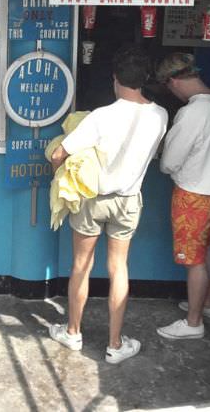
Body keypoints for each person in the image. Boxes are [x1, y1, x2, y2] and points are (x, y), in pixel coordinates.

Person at [48, 45, 167, 364]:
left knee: (81, 266)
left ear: (115, 79)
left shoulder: (101, 116)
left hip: (92, 200)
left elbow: (62, 154)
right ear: (145, 79)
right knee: (119, 269)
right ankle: (115, 345)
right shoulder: (160, 115)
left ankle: (73, 333)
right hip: (128, 201)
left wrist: (57, 171)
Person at [155, 52, 210, 340]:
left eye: (168, 87)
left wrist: (163, 156)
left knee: (193, 260)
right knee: (205, 248)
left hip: (193, 193)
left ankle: (193, 323)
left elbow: (169, 162)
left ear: (174, 81)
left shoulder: (193, 112)